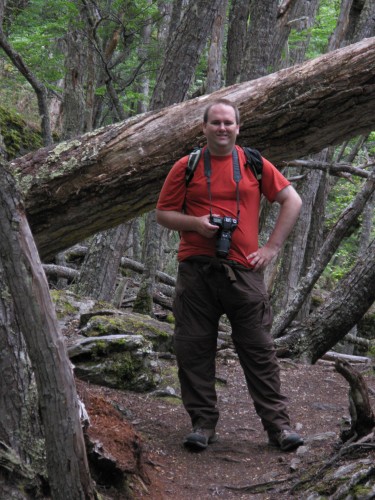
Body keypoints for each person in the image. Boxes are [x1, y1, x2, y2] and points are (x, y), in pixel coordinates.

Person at [156, 98, 303, 452]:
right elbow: (163, 213)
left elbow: (292, 200)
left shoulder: (253, 163)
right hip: (196, 272)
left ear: (238, 128)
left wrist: (271, 248)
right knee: (193, 348)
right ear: (203, 128)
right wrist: (196, 224)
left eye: (228, 123)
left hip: (244, 270)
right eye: (216, 122)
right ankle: (202, 425)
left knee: (259, 349)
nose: (222, 128)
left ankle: (279, 427)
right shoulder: (187, 166)